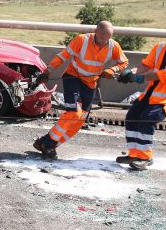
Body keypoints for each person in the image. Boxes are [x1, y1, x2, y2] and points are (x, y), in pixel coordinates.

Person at [33, 21, 128, 159]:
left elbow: (124, 62)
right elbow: (63, 56)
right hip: (73, 78)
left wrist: (112, 69)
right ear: (96, 31)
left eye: (107, 39)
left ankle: (47, 144)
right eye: (102, 38)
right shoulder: (82, 40)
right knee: (74, 114)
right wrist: (48, 71)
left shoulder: (113, 45)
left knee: (80, 120)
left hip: (90, 84)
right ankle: (48, 144)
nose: (104, 42)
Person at [116, 26, 166, 171]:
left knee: (148, 118)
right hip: (152, 94)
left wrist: (138, 78)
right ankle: (134, 154)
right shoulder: (159, 48)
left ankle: (145, 157)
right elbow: (146, 65)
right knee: (132, 117)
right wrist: (130, 73)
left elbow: (164, 76)